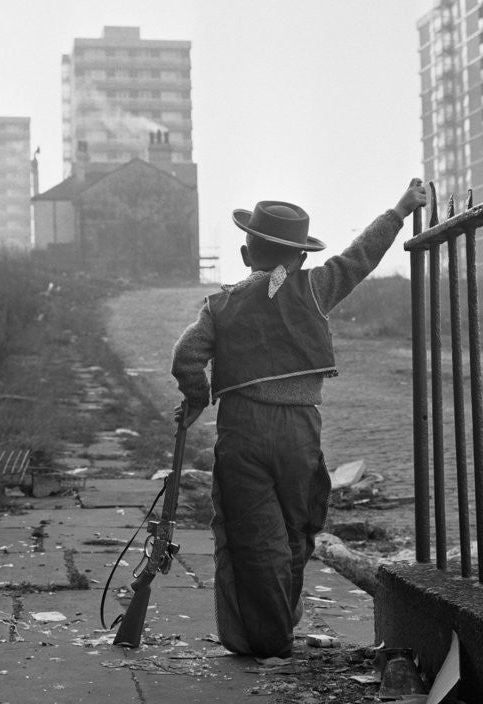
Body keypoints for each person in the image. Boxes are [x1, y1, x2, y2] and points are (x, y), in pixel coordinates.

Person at [171, 179, 427, 660]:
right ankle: (278, 629)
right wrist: (399, 209)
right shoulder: (316, 288)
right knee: (294, 532)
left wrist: (197, 397)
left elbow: (186, 355)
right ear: (302, 257)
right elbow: (360, 256)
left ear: (247, 255)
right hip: (299, 432)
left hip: (241, 429)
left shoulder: (220, 305)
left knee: (250, 535)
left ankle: (262, 637)